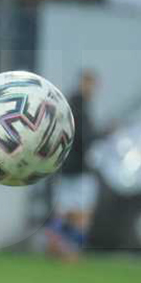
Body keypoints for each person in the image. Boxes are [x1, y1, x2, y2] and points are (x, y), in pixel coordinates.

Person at [46, 69, 98, 261]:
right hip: (77, 168)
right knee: (81, 212)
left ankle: (56, 244)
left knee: (64, 209)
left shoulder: (72, 104)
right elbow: (84, 138)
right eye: (89, 82)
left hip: (66, 167)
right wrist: (100, 135)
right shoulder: (78, 106)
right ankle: (71, 249)